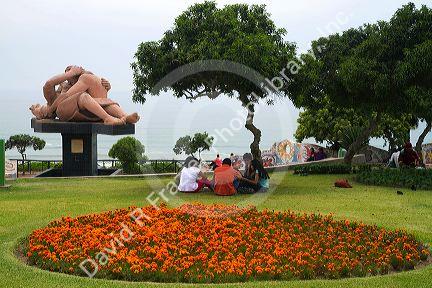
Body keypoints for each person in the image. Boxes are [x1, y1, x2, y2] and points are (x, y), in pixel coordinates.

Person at [30, 66, 139, 125]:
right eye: (70, 72)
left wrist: (106, 87)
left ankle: (124, 117)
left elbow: (99, 98)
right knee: (83, 96)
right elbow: (48, 84)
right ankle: (107, 118)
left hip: (84, 111)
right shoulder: (59, 92)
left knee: (102, 101)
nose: (74, 73)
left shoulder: (81, 84)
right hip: (64, 111)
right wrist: (71, 73)